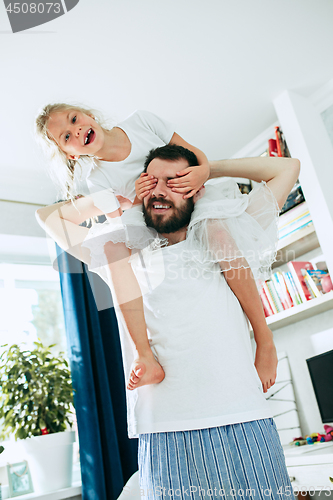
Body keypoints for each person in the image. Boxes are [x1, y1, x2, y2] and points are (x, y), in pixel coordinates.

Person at [36, 143, 300, 499]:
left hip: (243, 415)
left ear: (195, 190)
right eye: (152, 181)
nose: (160, 190)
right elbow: (49, 218)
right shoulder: (124, 257)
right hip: (164, 428)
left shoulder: (225, 235)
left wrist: (210, 168)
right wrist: (116, 195)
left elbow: (287, 167)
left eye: (175, 182)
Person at [35, 104, 210, 391]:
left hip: (184, 192)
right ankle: (144, 354)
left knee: (219, 229)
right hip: (148, 213)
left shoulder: (142, 121)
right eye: (66, 137)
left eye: (74, 119)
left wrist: (202, 171)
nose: (76, 131)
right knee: (113, 250)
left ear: (88, 114)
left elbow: (193, 154)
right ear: (72, 154)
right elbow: (125, 208)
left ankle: (262, 334)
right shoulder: (97, 178)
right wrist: (138, 199)